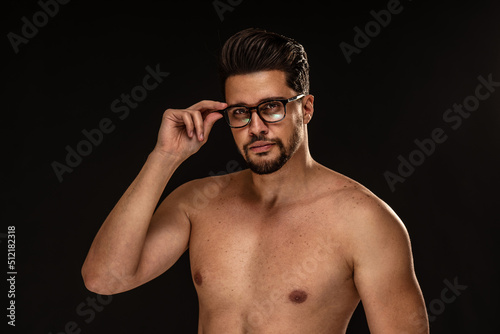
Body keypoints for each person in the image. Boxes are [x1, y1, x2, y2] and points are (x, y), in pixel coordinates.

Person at [82, 28, 429, 333]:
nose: (256, 126)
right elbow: (104, 278)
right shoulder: (198, 203)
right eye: (240, 112)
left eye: (272, 106)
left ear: (305, 108)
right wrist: (164, 158)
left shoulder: (365, 221)